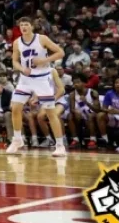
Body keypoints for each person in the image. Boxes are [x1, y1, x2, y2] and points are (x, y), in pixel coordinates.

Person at [7, 17, 66, 156]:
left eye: (26, 24)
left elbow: (60, 53)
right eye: (21, 25)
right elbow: (14, 61)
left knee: (50, 113)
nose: (24, 27)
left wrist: (44, 60)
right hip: (25, 79)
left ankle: (60, 145)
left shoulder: (42, 39)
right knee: (15, 108)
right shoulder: (17, 43)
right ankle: (17, 140)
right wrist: (21, 68)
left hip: (42, 78)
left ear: (32, 26)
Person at [67, 76, 101, 149]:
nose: (76, 84)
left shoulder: (92, 92)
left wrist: (86, 102)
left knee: (90, 116)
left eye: (78, 82)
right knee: (70, 116)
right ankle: (75, 140)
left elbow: (97, 110)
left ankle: (93, 140)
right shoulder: (72, 94)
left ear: (84, 83)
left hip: (92, 113)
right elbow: (72, 108)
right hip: (80, 114)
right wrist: (75, 111)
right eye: (74, 83)